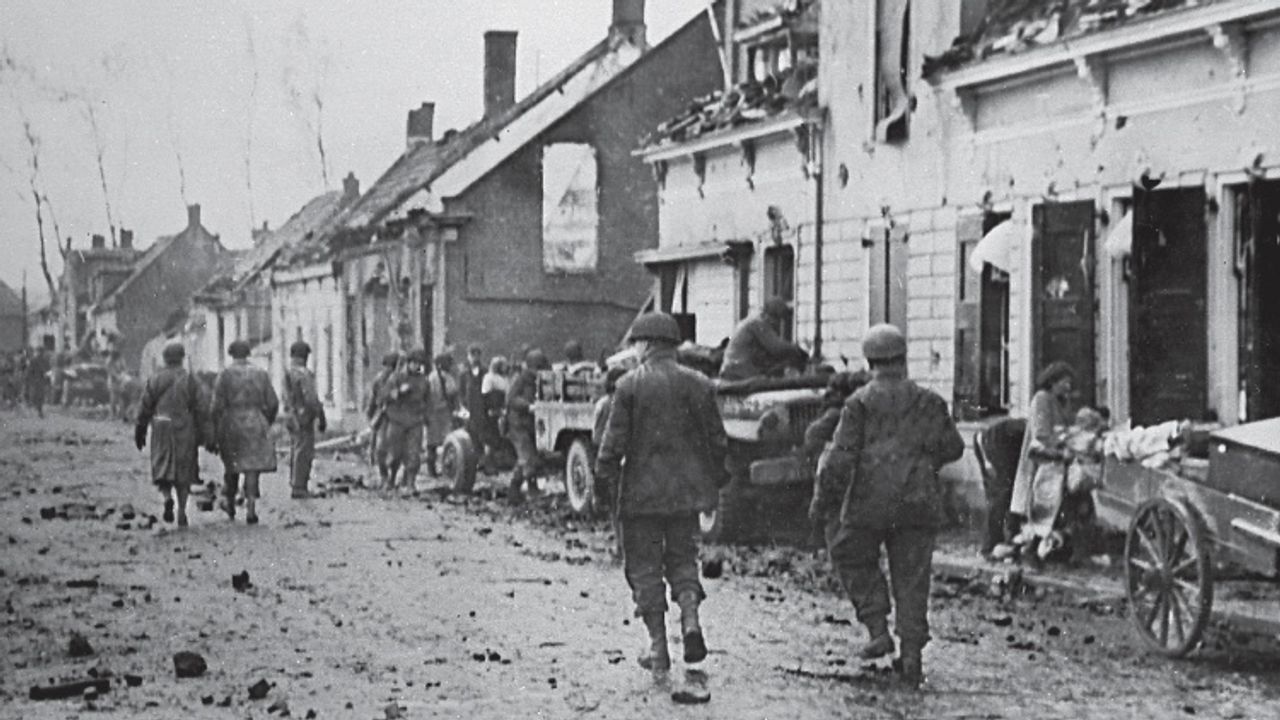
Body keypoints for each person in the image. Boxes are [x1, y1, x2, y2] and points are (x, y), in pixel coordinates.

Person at [811, 324, 965, 686]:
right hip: (918, 501)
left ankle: (877, 629)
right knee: (912, 578)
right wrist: (923, 465)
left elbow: (840, 458)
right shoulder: (929, 400)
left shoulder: (859, 402)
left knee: (848, 552)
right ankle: (911, 656)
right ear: (902, 358)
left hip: (868, 501)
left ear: (870, 360)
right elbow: (953, 447)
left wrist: (822, 501)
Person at [595, 312, 729, 672]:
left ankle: (658, 647)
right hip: (684, 496)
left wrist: (602, 483)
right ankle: (691, 623)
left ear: (646, 345)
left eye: (637, 343)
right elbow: (717, 441)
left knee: (644, 568)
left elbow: (612, 446)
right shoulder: (700, 383)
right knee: (684, 560)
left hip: (641, 499)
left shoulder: (628, 386)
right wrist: (715, 479)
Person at [1008, 361, 1076, 566]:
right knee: (1042, 506)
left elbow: (1067, 427)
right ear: (1053, 381)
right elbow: (1041, 433)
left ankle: (1055, 550)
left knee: (1059, 507)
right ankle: (1031, 551)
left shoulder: (1061, 402)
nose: (1068, 387)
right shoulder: (1041, 399)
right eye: (1065, 382)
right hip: (1041, 461)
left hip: (1057, 461)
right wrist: (1062, 442)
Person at [134, 342, 208, 527]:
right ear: (182, 358)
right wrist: (204, 432)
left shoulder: (155, 379)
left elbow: (145, 406)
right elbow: (201, 407)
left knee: (162, 467)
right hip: (184, 427)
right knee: (184, 470)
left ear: (165, 359)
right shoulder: (191, 380)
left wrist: (140, 429)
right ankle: (182, 510)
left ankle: (167, 498)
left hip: (162, 425)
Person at [209, 340, 279, 524]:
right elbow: (273, 402)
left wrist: (216, 427)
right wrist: (266, 420)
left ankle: (231, 504)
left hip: (232, 421)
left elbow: (216, 405)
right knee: (252, 467)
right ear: (248, 353)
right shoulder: (261, 374)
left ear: (231, 354)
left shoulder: (225, 375)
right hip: (256, 420)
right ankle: (251, 508)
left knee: (232, 464)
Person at [973, 416, 1027, 559]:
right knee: (1001, 494)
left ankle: (1008, 539)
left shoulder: (1021, 425)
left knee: (1002, 493)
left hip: (988, 435)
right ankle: (989, 547)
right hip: (997, 440)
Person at [719, 297, 809, 381]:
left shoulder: (753, 321)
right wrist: (795, 349)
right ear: (771, 315)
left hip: (737, 368)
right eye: (778, 319)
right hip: (738, 370)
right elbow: (776, 347)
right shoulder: (758, 324)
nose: (777, 324)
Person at [380, 348, 431, 492]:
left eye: (419, 363)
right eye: (414, 363)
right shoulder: (396, 377)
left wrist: (427, 417)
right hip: (397, 419)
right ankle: (391, 478)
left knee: (414, 454)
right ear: (408, 363)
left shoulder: (424, 380)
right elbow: (384, 395)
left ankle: (410, 483)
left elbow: (427, 400)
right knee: (395, 453)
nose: (416, 366)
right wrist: (398, 392)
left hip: (415, 420)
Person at [282, 341, 326, 500]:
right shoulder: (303, 374)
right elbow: (311, 398)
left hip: (290, 416)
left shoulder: (288, 373)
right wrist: (321, 416)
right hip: (304, 417)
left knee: (295, 448)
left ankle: (295, 482)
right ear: (305, 356)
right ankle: (300, 487)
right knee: (304, 451)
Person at [504, 348, 549, 502]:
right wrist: (528, 406)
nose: (539, 371)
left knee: (534, 458)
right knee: (526, 458)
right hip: (518, 424)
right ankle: (513, 491)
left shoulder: (542, 380)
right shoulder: (521, 379)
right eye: (537, 368)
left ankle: (532, 488)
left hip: (532, 424)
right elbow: (511, 399)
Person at [425, 352, 460, 477]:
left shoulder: (433, 377)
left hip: (438, 413)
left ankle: (436, 468)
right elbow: (453, 392)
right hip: (440, 412)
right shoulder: (440, 377)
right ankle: (439, 468)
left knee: (435, 443)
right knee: (440, 442)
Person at [366, 352, 401, 467]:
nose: (388, 369)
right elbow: (373, 397)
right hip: (383, 412)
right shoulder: (380, 379)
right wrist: (371, 412)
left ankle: (383, 462)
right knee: (379, 438)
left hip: (392, 413)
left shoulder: (394, 378)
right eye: (387, 366)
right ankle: (374, 459)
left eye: (390, 367)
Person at [24, 346, 51, 418]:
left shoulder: (38, 360)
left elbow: (48, 371)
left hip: (38, 381)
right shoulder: (36, 360)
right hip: (38, 380)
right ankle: (38, 409)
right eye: (40, 351)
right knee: (38, 396)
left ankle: (39, 410)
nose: (40, 353)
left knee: (39, 396)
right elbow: (30, 371)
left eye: (41, 351)